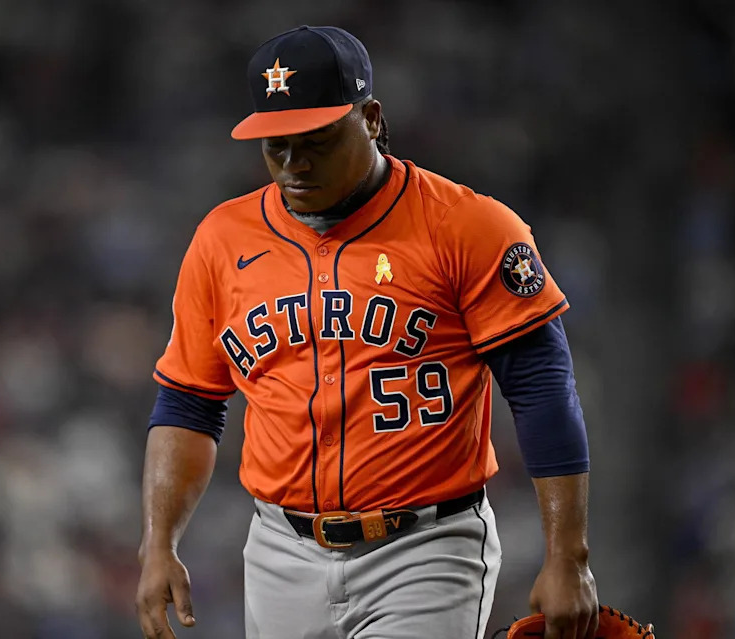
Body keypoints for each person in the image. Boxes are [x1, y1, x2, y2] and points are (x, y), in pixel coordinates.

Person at [136, 25, 599, 639]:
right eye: (277, 147)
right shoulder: (223, 239)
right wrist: (158, 543)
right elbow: (189, 402)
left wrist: (568, 555)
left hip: (425, 547)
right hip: (279, 548)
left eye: (317, 141)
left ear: (372, 117)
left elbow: (542, 386)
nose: (295, 164)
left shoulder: (467, 226)